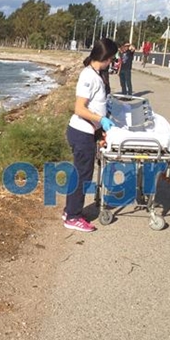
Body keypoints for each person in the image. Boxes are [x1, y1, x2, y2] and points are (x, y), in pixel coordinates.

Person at [63, 38, 119, 232]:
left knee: (79, 174)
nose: (111, 62)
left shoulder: (96, 74)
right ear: (105, 57)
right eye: (111, 58)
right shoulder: (88, 76)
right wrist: (100, 119)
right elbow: (79, 108)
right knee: (82, 176)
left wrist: (101, 123)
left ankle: (70, 210)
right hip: (81, 132)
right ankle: (73, 217)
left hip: (87, 132)